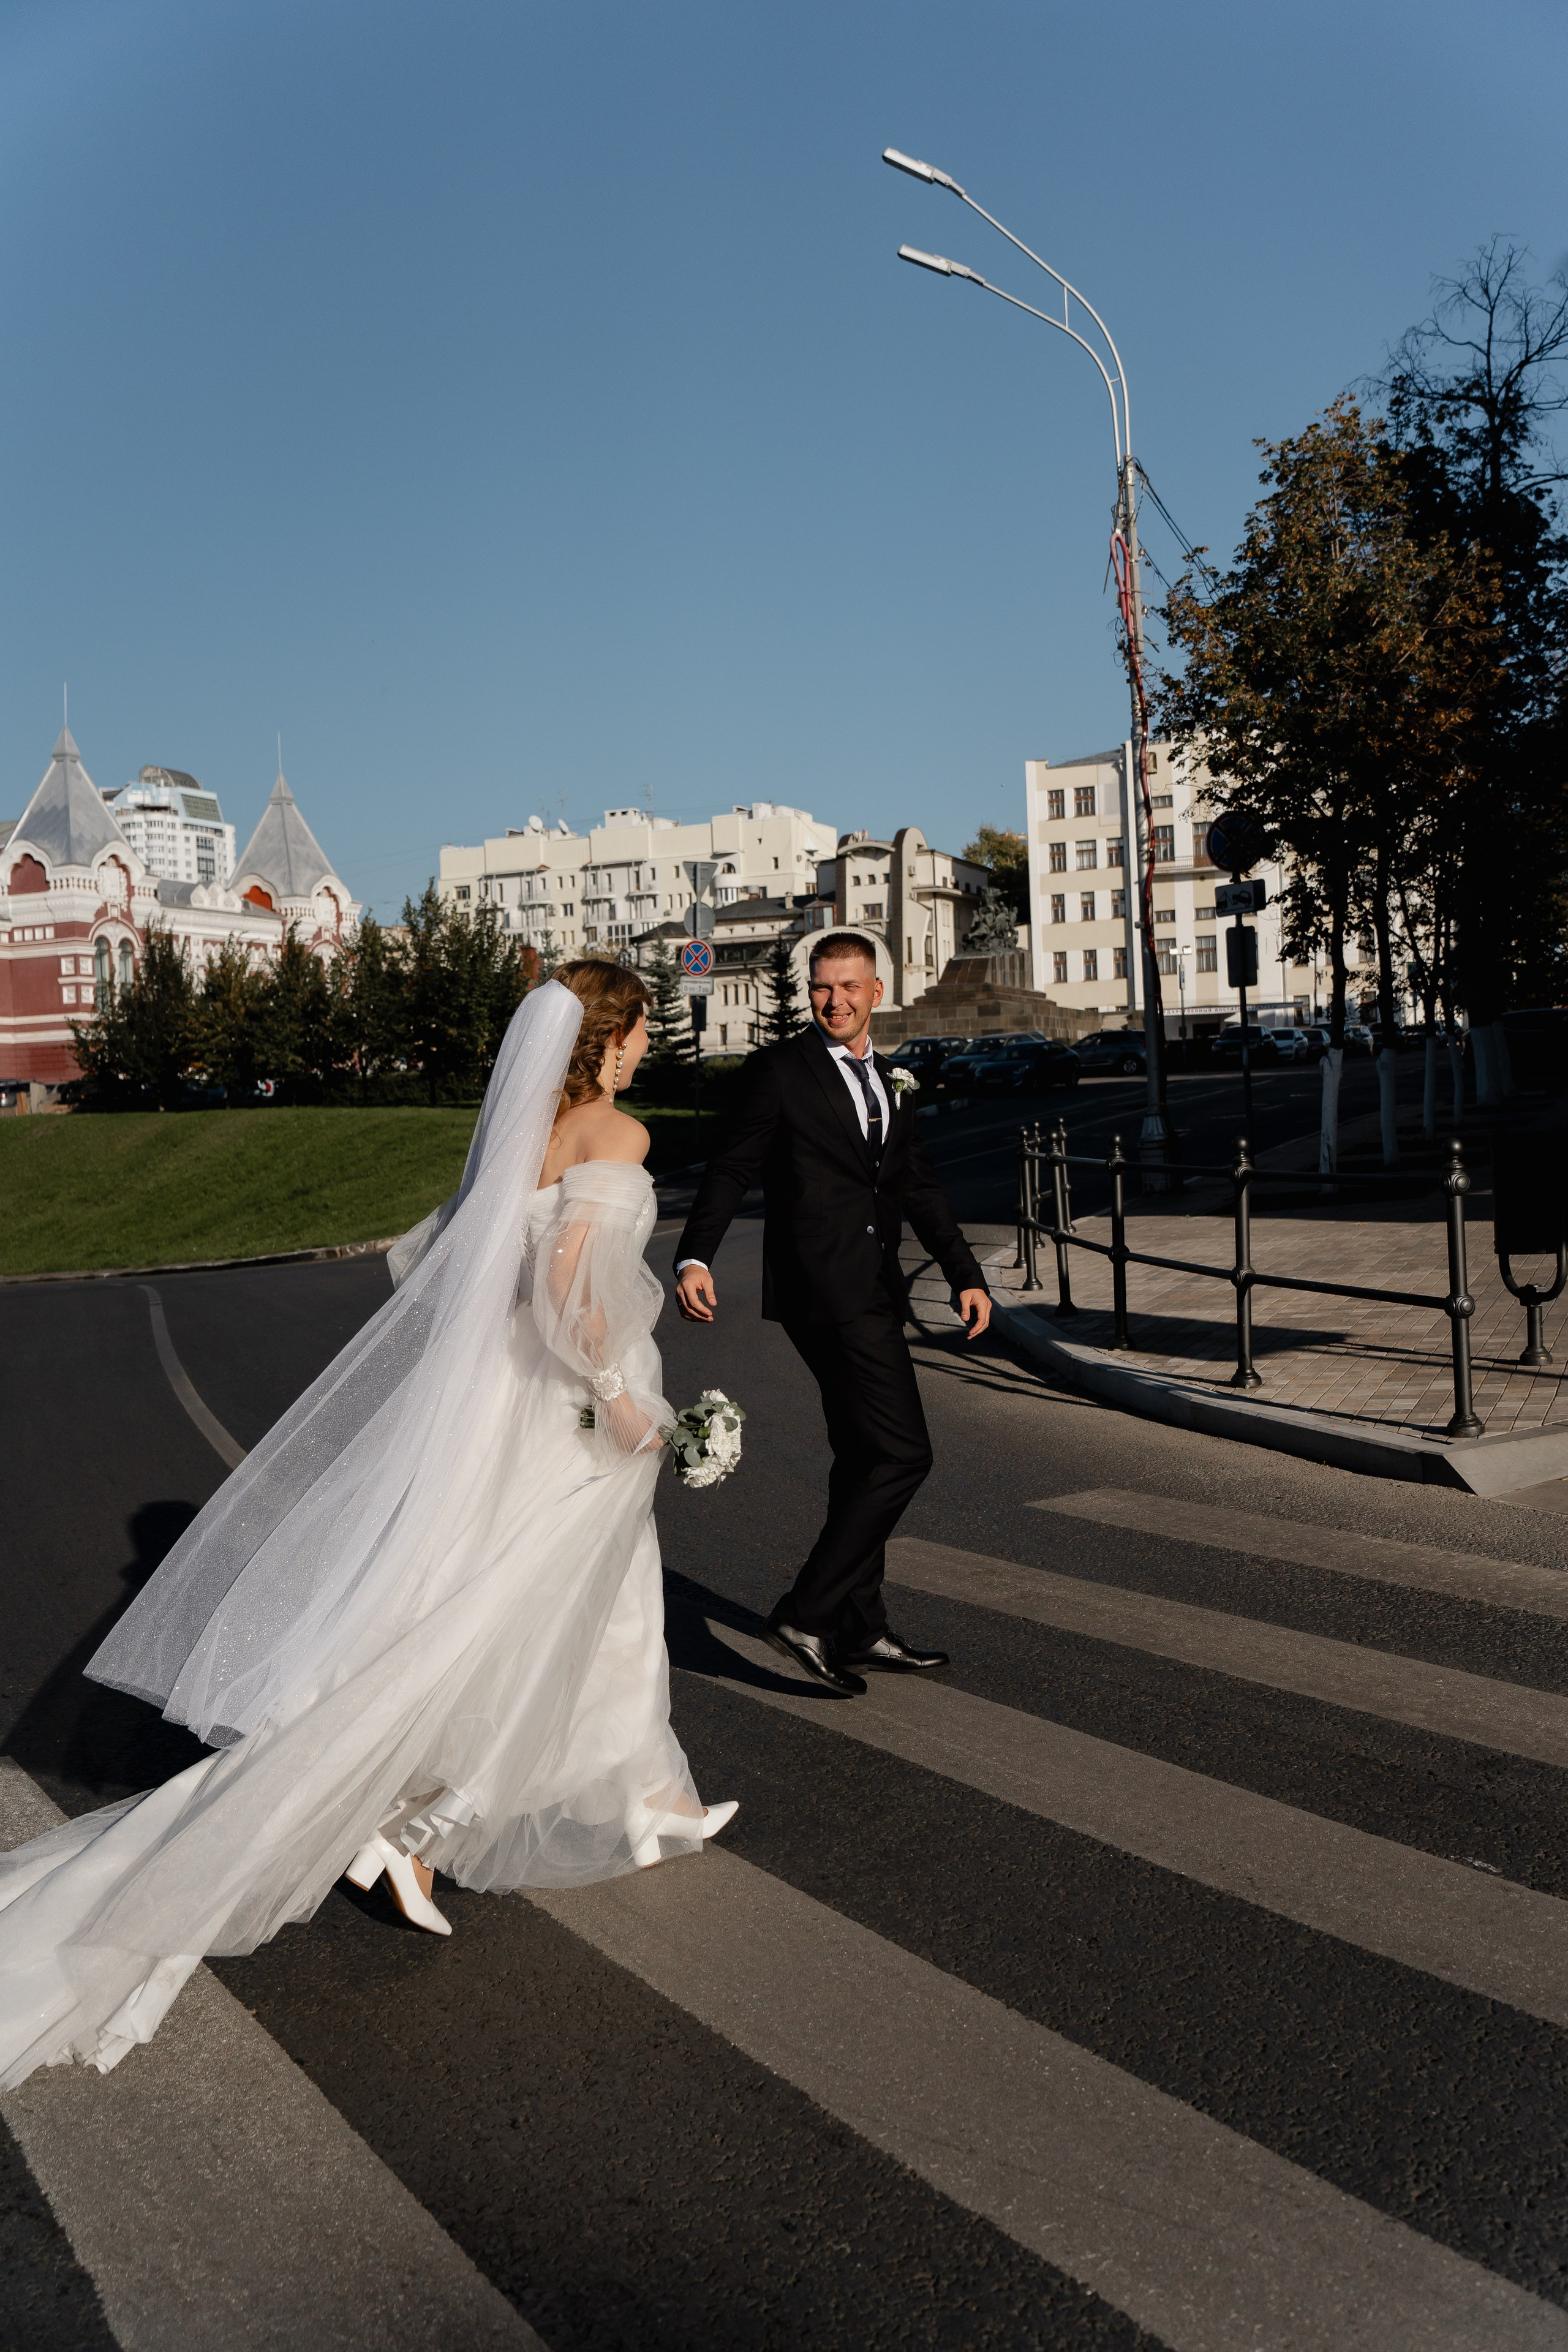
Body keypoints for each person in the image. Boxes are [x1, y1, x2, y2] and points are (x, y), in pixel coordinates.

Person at [0, 962, 734, 2090]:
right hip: (575, 1403)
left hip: (505, 1400)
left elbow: (438, 1265)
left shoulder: (517, 1134)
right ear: (615, 1035)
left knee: (584, 1593)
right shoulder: (614, 1137)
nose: (644, 1047)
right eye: (639, 1029)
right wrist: (622, 1394)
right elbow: (572, 1290)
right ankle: (405, 1828)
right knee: (523, 1611)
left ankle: (650, 1795)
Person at [674, 929, 990, 1695]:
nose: (833, 1000)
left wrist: (964, 1275)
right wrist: (694, 1255)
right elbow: (732, 1166)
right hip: (824, 1292)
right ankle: (806, 1613)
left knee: (863, 1455)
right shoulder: (780, 1072)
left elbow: (917, 1185)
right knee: (903, 1452)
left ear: (876, 991)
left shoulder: (891, 1079)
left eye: (848, 987)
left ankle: (860, 1625)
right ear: (810, 989)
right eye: (821, 986)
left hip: (876, 1286)